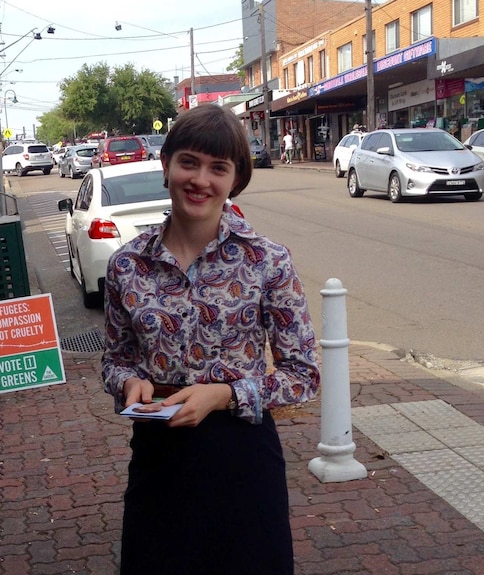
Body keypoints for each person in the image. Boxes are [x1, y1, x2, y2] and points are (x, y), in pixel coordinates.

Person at [102, 104, 320, 575]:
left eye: (218, 168)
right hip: (160, 457)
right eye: (189, 162)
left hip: (243, 457)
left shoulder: (268, 262)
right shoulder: (127, 265)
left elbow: (302, 376)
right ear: (166, 165)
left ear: (235, 179)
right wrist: (127, 385)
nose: (201, 179)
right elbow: (115, 359)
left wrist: (223, 395)